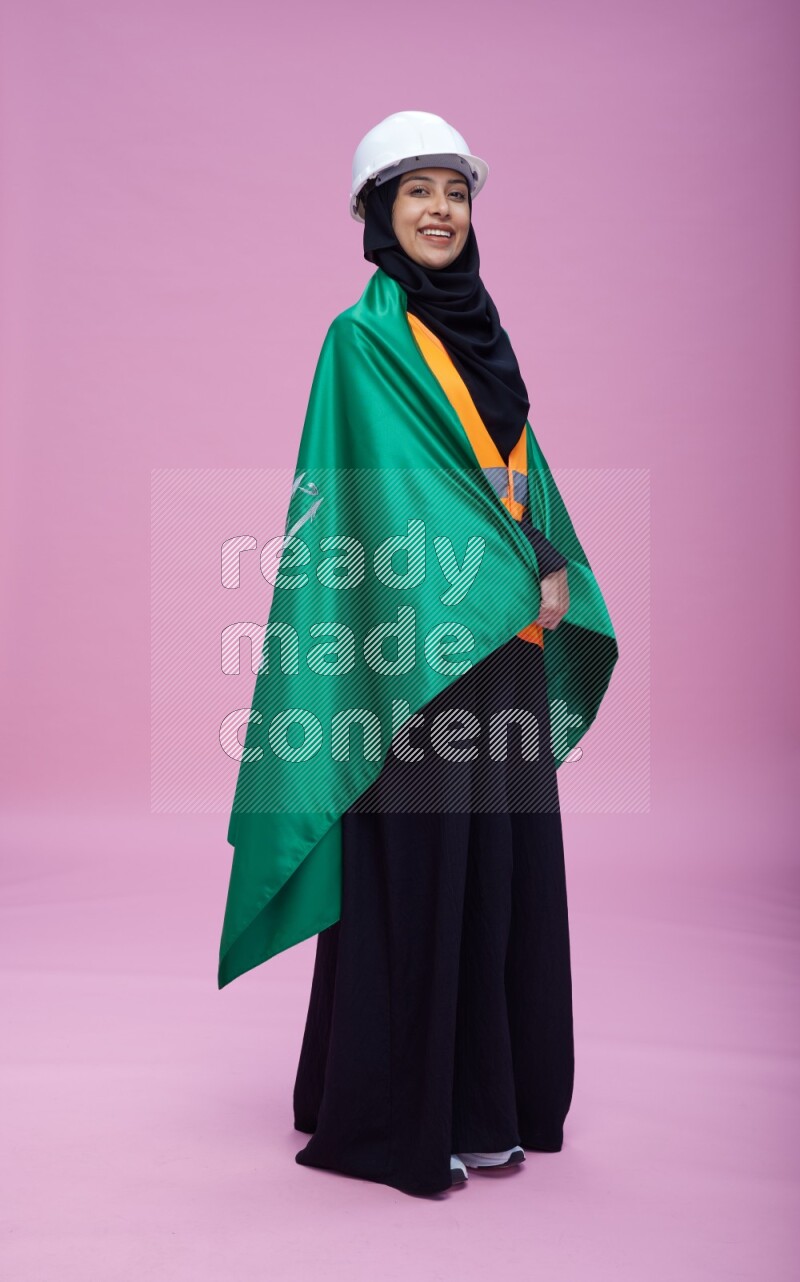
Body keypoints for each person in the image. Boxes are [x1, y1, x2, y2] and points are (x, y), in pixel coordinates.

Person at [218, 111, 618, 1200]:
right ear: (374, 215)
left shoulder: (478, 327)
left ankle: (494, 1099)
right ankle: (399, 1113)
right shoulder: (361, 342)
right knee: (424, 865)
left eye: (454, 190)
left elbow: (507, 470)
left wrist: (545, 557)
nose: (440, 210)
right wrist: (496, 563)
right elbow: (377, 502)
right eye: (414, 192)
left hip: (503, 639)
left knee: (498, 864)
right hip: (415, 649)